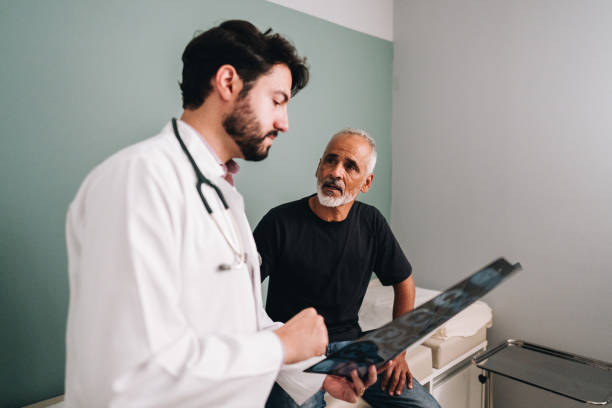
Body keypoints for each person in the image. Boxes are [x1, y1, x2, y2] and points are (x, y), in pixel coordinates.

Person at [64, 21, 379, 408]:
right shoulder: (139, 181)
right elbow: (128, 373)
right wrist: (279, 346)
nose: (284, 123)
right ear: (228, 83)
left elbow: (244, 324)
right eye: (277, 100)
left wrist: (318, 371)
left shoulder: (225, 197)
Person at [254, 129, 442, 408]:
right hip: (296, 353)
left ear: (366, 182)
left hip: (351, 348)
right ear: (318, 167)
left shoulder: (372, 223)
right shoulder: (279, 222)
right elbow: (238, 290)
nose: (336, 172)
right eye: (330, 161)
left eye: (350, 166)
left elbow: (404, 283)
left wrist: (397, 350)